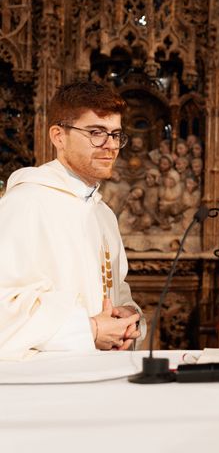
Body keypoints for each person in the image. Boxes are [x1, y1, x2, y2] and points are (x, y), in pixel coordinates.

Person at [0, 81, 145, 360]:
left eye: (116, 135)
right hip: (46, 384)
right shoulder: (26, 204)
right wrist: (88, 330)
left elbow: (114, 291)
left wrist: (126, 317)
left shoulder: (103, 214)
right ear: (59, 136)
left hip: (97, 376)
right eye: (96, 133)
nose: (111, 145)